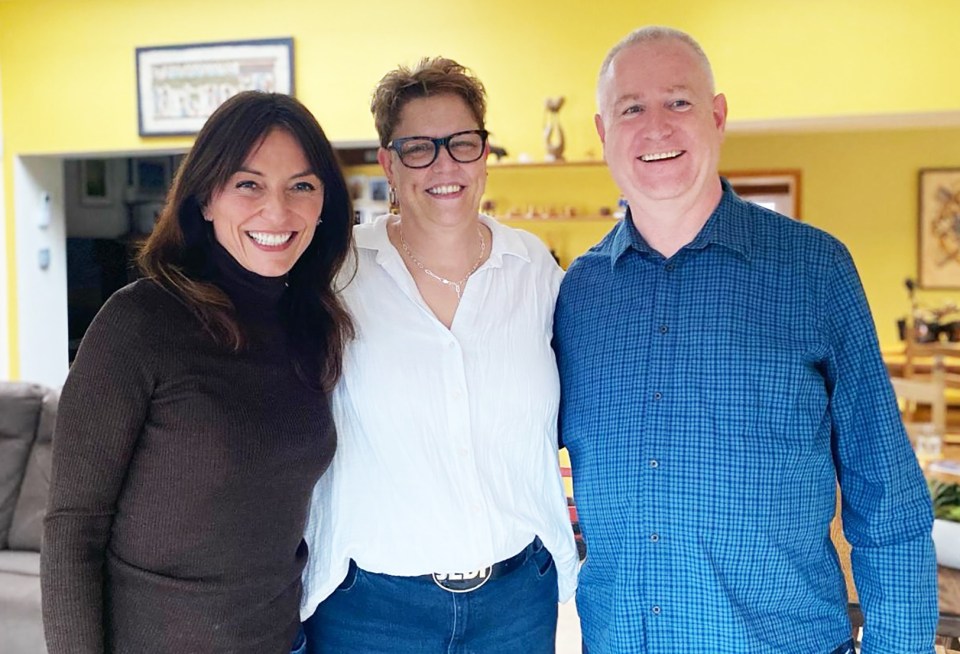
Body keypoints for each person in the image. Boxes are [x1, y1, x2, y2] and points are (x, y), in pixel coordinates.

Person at [553, 26, 938, 653]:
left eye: (678, 101)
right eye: (632, 108)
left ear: (718, 115)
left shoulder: (815, 271)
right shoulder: (576, 296)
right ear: (603, 132)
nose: (655, 128)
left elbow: (885, 494)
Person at [41, 91, 354, 653]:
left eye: (301, 186)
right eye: (248, 184)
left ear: (325, 202)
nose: (277, 212)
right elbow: (72, 526)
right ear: (205, 198)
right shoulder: (139, 322)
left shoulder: (314, 326)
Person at [300, 57, 578, 653]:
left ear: (483, 154)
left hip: (517, 604)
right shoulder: (336, 273)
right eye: (419, 147)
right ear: (388, 163)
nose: (445, 165)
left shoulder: (535, 271)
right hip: (370, 611)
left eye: (462, 143)